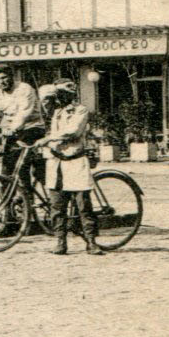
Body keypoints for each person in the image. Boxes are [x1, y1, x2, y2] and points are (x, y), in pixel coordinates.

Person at [38, 80, 103, 255]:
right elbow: (44, 107)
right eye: (58, 93)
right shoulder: (55, 112)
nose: (60, 97)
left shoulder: (80, 110)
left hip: (75, 161)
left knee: (83, 205)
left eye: (64, 93)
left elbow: (73, 131)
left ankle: (91, 241)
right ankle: (60, 242)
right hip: (56, 162)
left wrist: (49, 138)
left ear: (72, 95)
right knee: (57, 206)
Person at [0, 64, 46, 185]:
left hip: (32, 129)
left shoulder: (24, 89)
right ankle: (9, 201)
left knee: (22, 167)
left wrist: (12, 129)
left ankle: (26, 199)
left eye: (4, 78)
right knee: (6, 169)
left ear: (11, 76)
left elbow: (23, 113)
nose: (1, 82)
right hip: (15, 132)